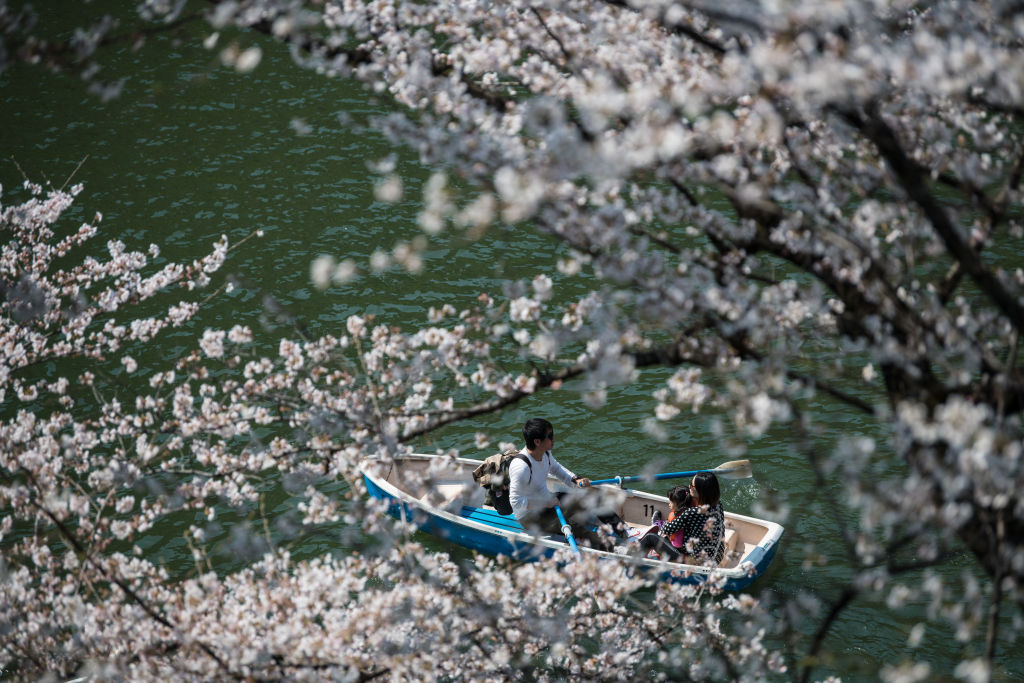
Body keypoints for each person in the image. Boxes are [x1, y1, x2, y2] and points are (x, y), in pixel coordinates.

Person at [508, 417, 616, 550]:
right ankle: (613, 549)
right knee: (574, 527)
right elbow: (515, 502)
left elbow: (557, 469)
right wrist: (546, 504)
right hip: (530, 516)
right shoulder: (521, 467)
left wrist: (576, 480)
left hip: (549, 501)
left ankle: (625, 531)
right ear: (537, 441)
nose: (554, 439)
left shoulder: (546, 453)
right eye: (550, 436)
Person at [638, 471, 725, 565]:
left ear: (700, 491)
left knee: (651, 538)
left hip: (696, 564)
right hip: (717, 557)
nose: (689, 487)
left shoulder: (692, 512)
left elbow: (666, 529)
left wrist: (671, 518)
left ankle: (632, 561)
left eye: (692, 486)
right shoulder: (718, 504)